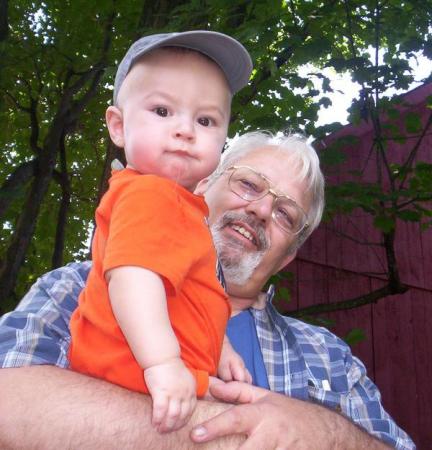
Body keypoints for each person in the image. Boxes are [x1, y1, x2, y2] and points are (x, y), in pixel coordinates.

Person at [0, 132, 415, 450]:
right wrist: (234, 438)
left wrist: (324, 434)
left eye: (286, 214)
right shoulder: (76, 286)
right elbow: (8, 401)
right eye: (250, 185)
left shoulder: (328, 356)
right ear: (201, 188)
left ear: (287, 258)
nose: (261, 210)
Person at [67, 30, 253, 432]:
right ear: (117, 127)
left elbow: (189, 294)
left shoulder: (182, 208)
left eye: (205, 119)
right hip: (131, 373)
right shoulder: (151, 194)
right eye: (163, 111)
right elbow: (133, 277)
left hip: (151, 378)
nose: (185, 129)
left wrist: (220, 345)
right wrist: (163, 362)